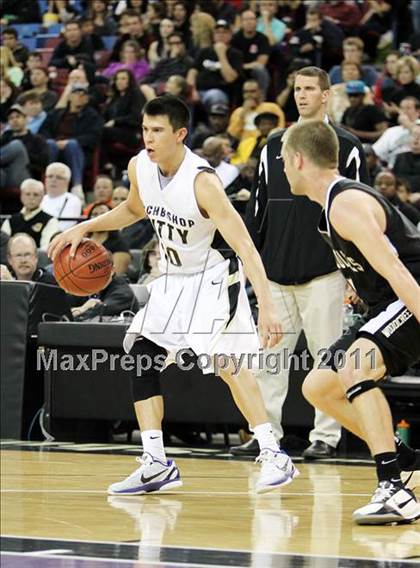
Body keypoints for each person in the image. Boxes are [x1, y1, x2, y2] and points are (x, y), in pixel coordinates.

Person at [49, 94, 297, 496]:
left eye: (158, 130)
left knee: (228, 365)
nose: (148, 138)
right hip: (173, 277)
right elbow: (133, 209)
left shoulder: (204, 182)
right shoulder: (139, 166)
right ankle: (156, 462)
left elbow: (247, 247)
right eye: (145, 129)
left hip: (215, 276)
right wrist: (85, 227)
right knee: (142, 354)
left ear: (180, 134)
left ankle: (273, 453)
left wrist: (266, 305)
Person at [281, 119, 420, 525]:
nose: (284, 170)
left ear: (299, 159)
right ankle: (406, 458)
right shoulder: (329, 205)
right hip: (387, 301)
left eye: (285, 162)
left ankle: (393, 487)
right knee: (319, 388)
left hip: (409, 293)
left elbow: (396, 268)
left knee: (355, 366)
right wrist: (357, 283)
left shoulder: (345, 202)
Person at [232, 66, 369, 461]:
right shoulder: (273, 144)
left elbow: (357, 210)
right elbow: (258, 210)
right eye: (297, 89)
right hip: (275, 272)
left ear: (326, 95)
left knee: (327, 356)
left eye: (310, 89)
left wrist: (353, 272)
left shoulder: (346, 144)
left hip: (324, 271)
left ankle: (325, 437)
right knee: (269, 359)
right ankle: (266, 434)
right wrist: (252, 266)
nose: (302, 95)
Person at [1, 178, 60, 250]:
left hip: (38, 260)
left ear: (42, 197)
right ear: (21, 196)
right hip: (11, 259)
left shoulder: (50, 221)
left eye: (36, 194)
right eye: (27, 194)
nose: (31, 198)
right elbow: (4, 248)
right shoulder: (10, 221)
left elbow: (45, 249)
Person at [41, 162, 82, 231]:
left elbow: (66, 226)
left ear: (67, 182)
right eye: (50, 176)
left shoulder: (73, 200)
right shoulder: (40, 199)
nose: (53, 180)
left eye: (58, 177)